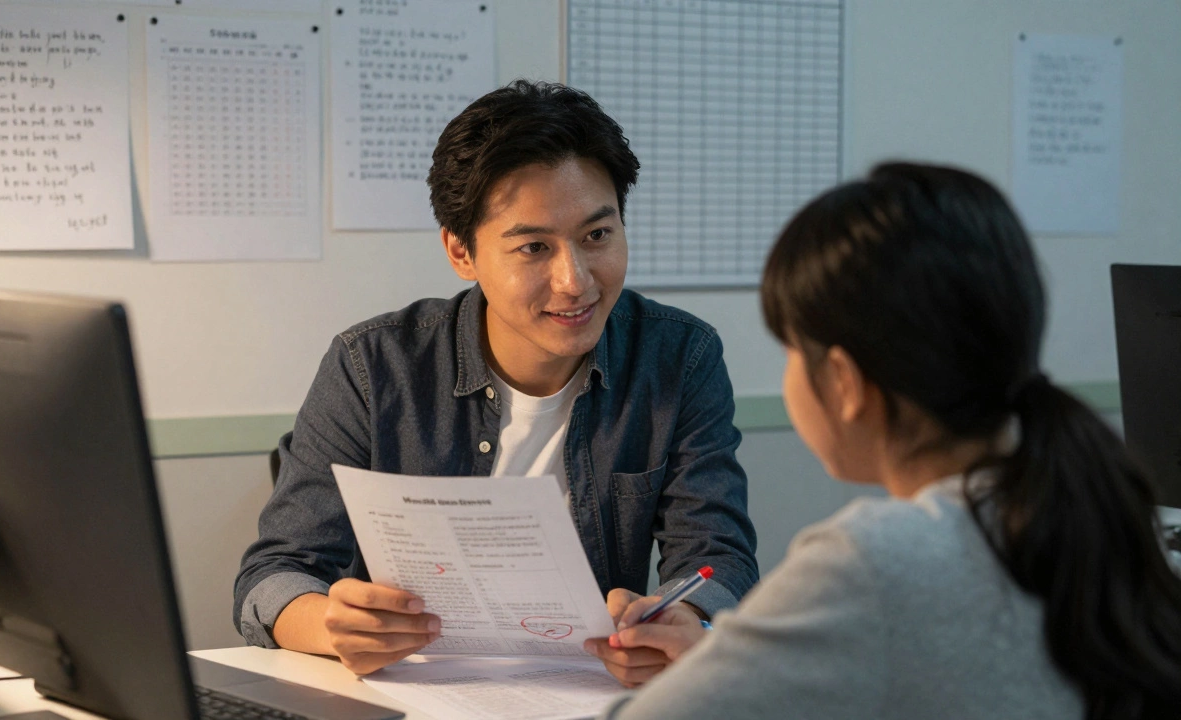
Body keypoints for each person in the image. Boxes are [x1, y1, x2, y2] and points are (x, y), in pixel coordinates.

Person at [599, 163, 1181, 719]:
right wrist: (718, 656)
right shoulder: (1088, 511)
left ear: (846, 383)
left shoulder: (873, 561)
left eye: (791, 350)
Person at [232, 80, 759, 682]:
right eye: (534, 247)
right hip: (410, 693)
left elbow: (718, 559)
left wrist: (684, 621)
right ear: (461, 251)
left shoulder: (679, 357)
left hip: (589, 695)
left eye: (597, 235)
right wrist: (333, 625)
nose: (576, 280)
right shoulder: (373, 366)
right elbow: (274, 575)